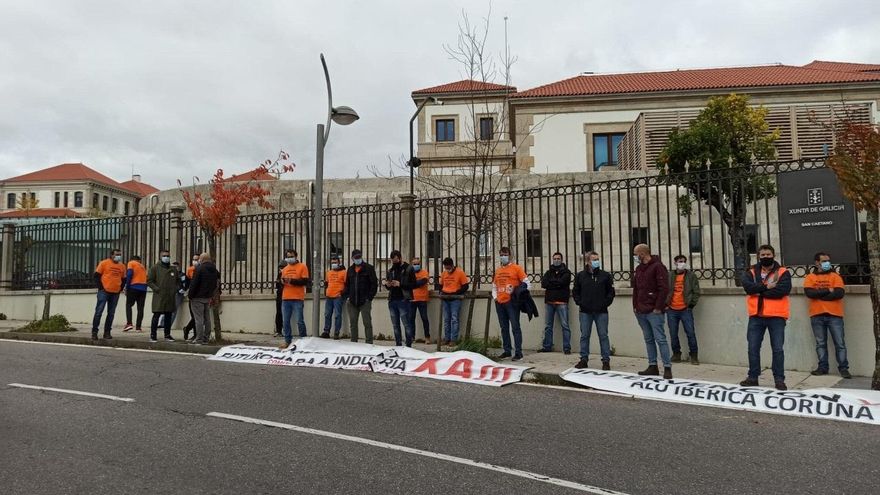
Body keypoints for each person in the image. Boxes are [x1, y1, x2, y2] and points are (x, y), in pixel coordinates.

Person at [740, 244, 792, 391]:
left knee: (777, 349)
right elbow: (748, 288)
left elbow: (782, 291)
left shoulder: (782, 272)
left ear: (773, 255)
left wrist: (759, 292)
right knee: (753, 348)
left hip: (776, 316)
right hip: (756, 316)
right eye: (763, 255)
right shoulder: (751, 271)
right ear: (758, 256)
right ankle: (753, 377)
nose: (765, 257)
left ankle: (779, 379)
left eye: (768, 254)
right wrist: (766, 287)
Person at [803, 252, 850, 379]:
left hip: (835, 315)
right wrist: (828, 290)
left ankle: (843, 368)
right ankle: (823, 368)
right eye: (824, 261)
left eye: (828, 260)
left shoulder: (836, 276)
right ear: (817, 262)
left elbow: (839, 293)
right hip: (816, 315)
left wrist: (820, 294)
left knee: (840, 343)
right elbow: (809, 293)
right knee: (820, 343)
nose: (827, 263)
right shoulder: (810, 277)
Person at [632, 243, 673, 379]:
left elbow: (664, 288)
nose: (635, 257)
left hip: (654, 310)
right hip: (641, 310)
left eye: (636, 254)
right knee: (648, 339)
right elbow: (636, 289)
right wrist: (635, 306)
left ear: (642, 254)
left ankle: (667, 367)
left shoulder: (658, 267)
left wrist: (658, 307)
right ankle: (652, 365)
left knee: (660, 339)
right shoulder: (639, 269)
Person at [572, 251, 615, 370]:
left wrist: (605, 303)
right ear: (588, 261)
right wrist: (580, 302)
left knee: (603, 335)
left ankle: (606, 361)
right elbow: (575, 291)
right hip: (585, 311)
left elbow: (610, 292)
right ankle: (583, 359)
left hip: (601, 312)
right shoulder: (580, 275)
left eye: (597, 259)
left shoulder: (605, 275)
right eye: (594, 259)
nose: (596, 261)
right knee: (585, 335)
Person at [493, 246, 529, 361]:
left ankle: (518, 352)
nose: (503, 256)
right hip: (500, 302)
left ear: (510, 255)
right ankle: (507, 350)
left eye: (505, 254)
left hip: (512, 303)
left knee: (515, 327)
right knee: (504, 328)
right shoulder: (498, 270)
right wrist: (495, 298)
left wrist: (517, 291)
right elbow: (494, 286)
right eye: (501, 254)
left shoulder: (517, 268)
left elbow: (527, 283)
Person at [666, 254, 701, 365]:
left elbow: (696, 291)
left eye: (683, 261)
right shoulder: (670, 275)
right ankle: (676, 354)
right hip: (671, 309)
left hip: (685, 309)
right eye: (679, 261)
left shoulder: (691, 276)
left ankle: (694, 356)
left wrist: (691, 305)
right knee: (673, 333)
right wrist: (666, 304)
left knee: (690, 333)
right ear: (675, 263)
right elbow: (664, 290)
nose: (682, 263)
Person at [539, 252, 572, 354]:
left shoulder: (567, 272)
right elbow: (544, 284)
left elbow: (563, 282)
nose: (556, 260)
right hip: (549, 302)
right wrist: (556, 283)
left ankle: (566, 348)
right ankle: (547, 346)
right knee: (548, 326)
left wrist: (552, 283)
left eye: (558, 258)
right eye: (554, 258)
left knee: (565, 325)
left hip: (562, 302)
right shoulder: (548, 272)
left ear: (561, 260)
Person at [342, 249, 378, 344]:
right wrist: (348, 297)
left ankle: (369, 343)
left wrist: (369, 298)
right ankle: (354, 343)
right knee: (353, 324)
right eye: (356, 257)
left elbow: (374, 284)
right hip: (352, 301)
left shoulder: (369, 268)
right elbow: (347, 284)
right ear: (352, 259)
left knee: (367, 323)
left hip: (364, 301)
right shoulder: (350, 269)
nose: (358, 259)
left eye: (359, 257)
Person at [147, 249, 181, 343]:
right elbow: (149, 281)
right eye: (164, 256)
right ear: (160, 257)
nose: (166, 258)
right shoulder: (155, 268)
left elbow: (178, 281)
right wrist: (157, 289)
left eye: (168, 256)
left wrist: (175, 289)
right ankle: (153, 335)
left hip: (170, 296)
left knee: (168, 316)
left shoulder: (173, 269)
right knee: (156, 315)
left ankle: (167, 335)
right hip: (159, 296)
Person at [92, 248, 126, 340]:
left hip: (115, 292)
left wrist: (120, 288)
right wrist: (101, 288)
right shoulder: (104, 263)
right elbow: (96, 276)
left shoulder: (122, 266)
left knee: (111, 313)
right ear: (112, 255)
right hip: (104, 291)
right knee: (99, 312)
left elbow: (123, 279)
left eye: (120, 254)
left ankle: (107, 332)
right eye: (117, 254)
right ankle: (94, 332)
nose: (118, 256)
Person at [280, 249, 310, 347]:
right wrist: (281, 282)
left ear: (296, 256)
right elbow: (282, 283)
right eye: (288, 256)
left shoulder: (302, 266)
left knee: (299, 321)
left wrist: (291, 281)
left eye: (291, 256)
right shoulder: (284, 269)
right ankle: (287, 340)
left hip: (298, 298)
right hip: (286, 298)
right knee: (285, 321)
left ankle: (304, 340)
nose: (290, 258)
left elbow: (305, 281)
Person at [187, 252, 220, 344]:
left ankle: (199, 338)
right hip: (208, 296)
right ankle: (206, 337)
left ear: (201, 259)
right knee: (207, 318)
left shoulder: (199, 269)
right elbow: (217, 280)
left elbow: (194, 283)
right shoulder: (214, 269)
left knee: (199, 319)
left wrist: (190, 295)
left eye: (199, 259)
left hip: (197, 297)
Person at [383, 250, 412, 346]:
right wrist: (387, 284)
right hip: (392, 300)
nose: (394, 263)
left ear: (400, 258)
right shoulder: (391, 270)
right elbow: (388, 285)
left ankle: (408, 345)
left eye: (396, 260)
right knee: (395, 325)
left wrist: (400, 284)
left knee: (406, 324)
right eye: (392, 261)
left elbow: (413, 284)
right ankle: (398, 344)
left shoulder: (408, 268)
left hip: (403, 299)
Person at [438, 257, 470, 346]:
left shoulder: (460, 272)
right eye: (445, 268)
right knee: (446, 320)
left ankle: (453, 339)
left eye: (448, 267)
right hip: (445, 298)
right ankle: (447, 338)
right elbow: (440, 285)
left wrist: (456, 292)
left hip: (455, 299)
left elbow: (465, 286)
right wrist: (441, 292)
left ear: (452, 265)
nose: (447, 269)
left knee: (454, 319)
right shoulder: (444, 273)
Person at [405, 256, 431, 345]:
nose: (416, 265)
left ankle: (427, 337)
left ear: (420, 264)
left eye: (417, 264)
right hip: (412, 299)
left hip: (422, 299)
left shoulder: (424, 272)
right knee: (411, 319)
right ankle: (412, 337)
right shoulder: (409, 273)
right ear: (412, 265)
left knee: (424, 318)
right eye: (414, 264)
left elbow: (422, 282)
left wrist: (412, 283)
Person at [321, 255, 347, 339]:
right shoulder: (328, 272)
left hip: (338, 296)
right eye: (332, 263)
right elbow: (327, 283)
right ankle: (326, 331)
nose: (333, 264)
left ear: (339, 263)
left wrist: (342, 293)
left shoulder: (343, 272)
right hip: (329, 296)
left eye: (335, 262)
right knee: (327, 314)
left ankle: (336, 332)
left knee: (337, 315)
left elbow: (347, 284)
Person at [123, 254, 147, 333]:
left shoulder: (131, 263)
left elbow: (129, 274)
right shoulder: (142, 266)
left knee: (128, 305)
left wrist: (127, 286)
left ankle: (129, 323)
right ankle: (138, 327)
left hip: (134, 287)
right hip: (143, 288)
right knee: (140, 308)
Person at [182, 254, 200, 340]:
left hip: (200, 295)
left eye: (197, 259)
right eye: (194, 259)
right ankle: (194, 333)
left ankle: (188, 329)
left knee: (198, 317)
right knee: (195, 316)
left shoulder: (202, 269)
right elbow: (187, 283)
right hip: (192, 296)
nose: (195, 261)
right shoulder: (190, 270)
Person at [273, 260, 285, 338]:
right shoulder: (279, 275)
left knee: (285, 314)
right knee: (279, 313)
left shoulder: (287, 274)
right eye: (280, 268)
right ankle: (278, 330)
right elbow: (277, 285)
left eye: (282, 267)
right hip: (279, 296)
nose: (281, 269)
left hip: (286, 296)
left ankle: (284, 330)